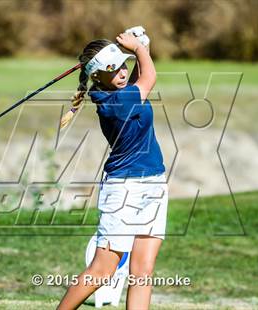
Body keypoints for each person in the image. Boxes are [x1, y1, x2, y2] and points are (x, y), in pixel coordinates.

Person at [57, 30, 168, 310]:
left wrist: (141, 49)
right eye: (113, 69)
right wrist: (140, 50)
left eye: (122, 64)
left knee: (142, 273)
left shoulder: (120, 94)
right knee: (102, 271)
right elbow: (148, 79)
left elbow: (134, 82)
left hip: (154, 183)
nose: (121, 72)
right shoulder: (113, 104)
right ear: (97, 77)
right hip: (124, 190)